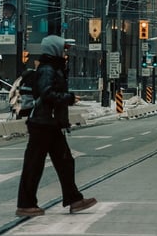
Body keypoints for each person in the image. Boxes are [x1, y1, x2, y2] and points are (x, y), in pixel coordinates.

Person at [16, 35, 97, 217]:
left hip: (50, 123)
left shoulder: (55, 67)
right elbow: (46, 93)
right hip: (42, 123)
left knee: (65, 161)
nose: (65, 52)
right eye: (63, 48)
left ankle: (74, 199)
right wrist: (68, 98)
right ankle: (25, 204)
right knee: (35, 164)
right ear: (54, 49)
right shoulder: (47, 69)